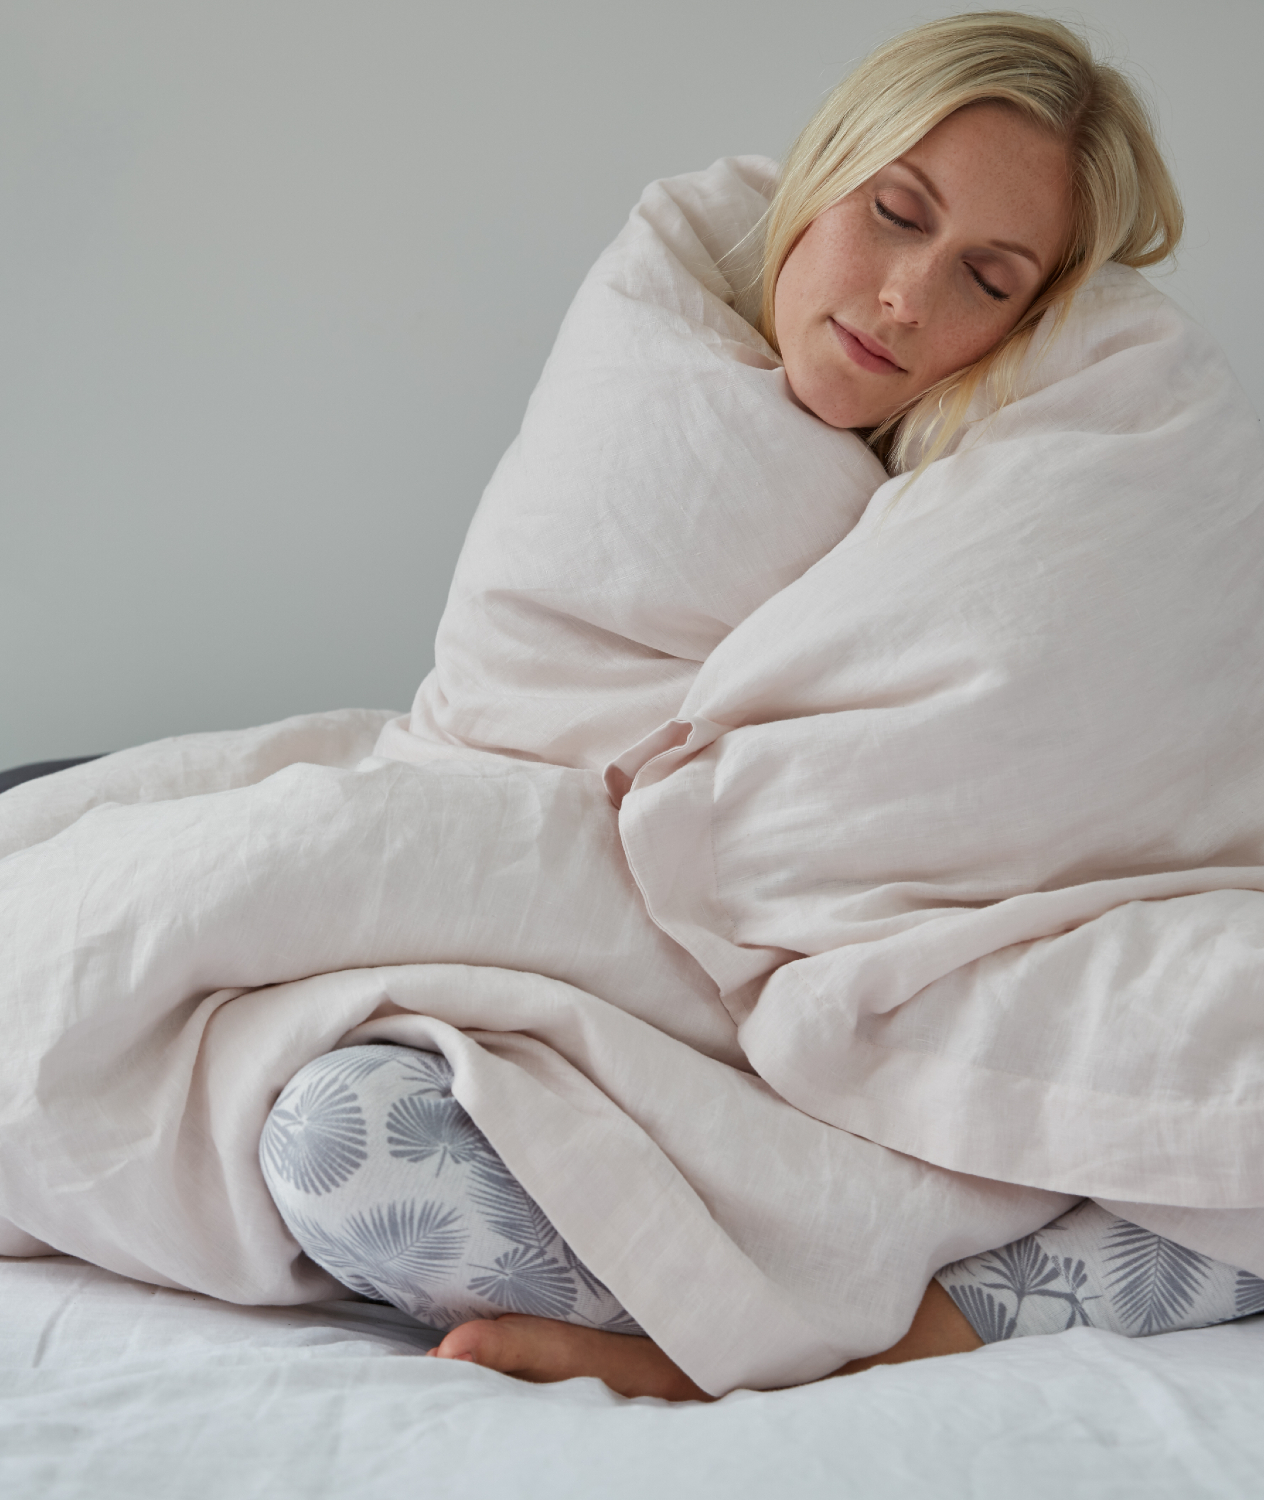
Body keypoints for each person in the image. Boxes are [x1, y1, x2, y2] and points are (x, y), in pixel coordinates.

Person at [256, 12, 1261, 1400]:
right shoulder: (650, 364)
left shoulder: (1071, 462)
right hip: (611, 986)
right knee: (343, 1134)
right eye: (894, 214)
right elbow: (519, 705)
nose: (907, 295)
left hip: (954, 969)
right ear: (823, 175)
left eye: (987, 277)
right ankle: (836, 1296)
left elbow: (1089, 739)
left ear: (1035, 321)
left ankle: (886, 1328)